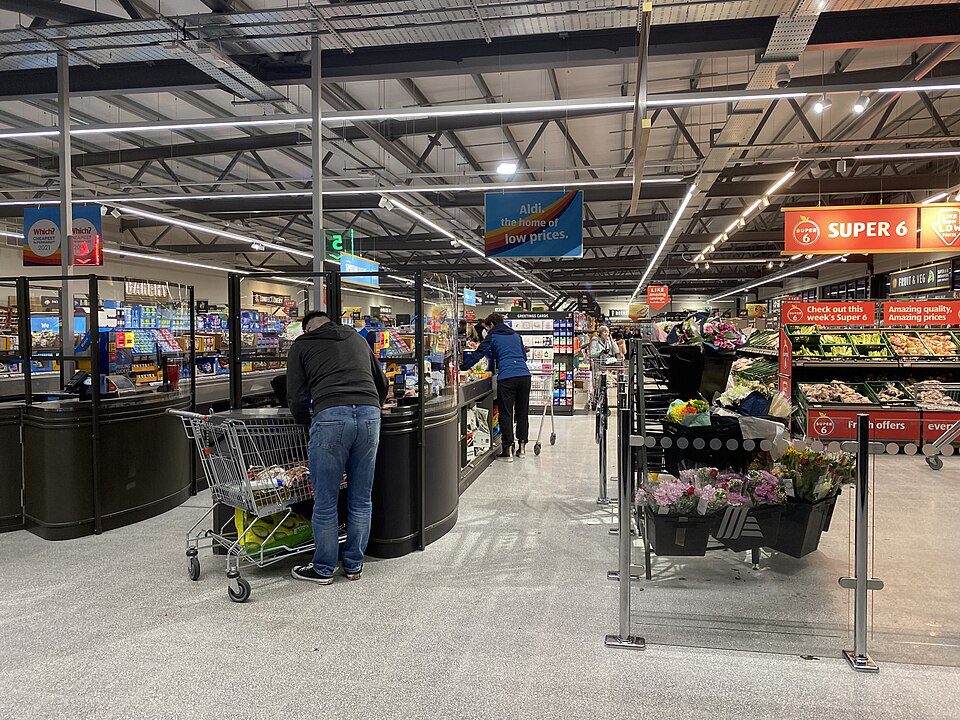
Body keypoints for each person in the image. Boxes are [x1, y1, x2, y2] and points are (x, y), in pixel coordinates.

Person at [286, 310, 389, 585]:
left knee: (326, 500)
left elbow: (295, 395)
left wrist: (306, 422)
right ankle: (354, 565)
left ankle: (323, 569)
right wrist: (370, 406)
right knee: (361, 498)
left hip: (331, 415)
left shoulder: (302, 344)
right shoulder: (356, 338)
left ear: (307, 329)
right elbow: (383, 382)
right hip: (369, 416)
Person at [461, 312, 531, 462]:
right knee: (522, 412)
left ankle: (508, 450)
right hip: (525, 376)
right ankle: (522, 446)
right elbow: (523, 357)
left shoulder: (492, 336)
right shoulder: (516, 336)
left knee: (506, 413)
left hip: (507, 377)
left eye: (487, 327)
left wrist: (462, 367)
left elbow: (478, 354)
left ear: (491, 325)